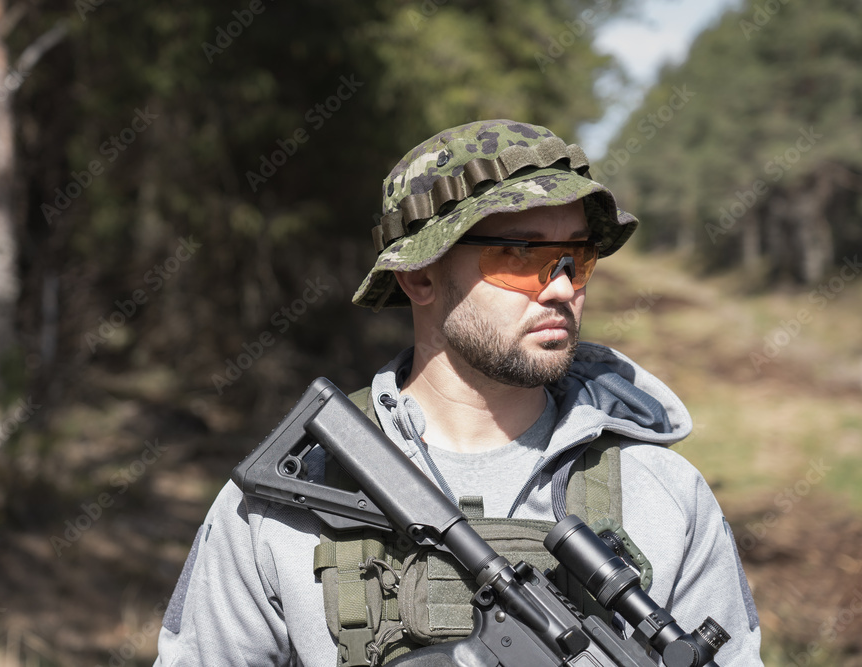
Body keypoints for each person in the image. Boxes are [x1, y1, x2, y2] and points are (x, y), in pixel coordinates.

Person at [153, 120, 764, 666]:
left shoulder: (664, 494)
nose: (559, 289)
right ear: (420, 274)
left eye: (575, 257)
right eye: (521, 254)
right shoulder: (298, 489)